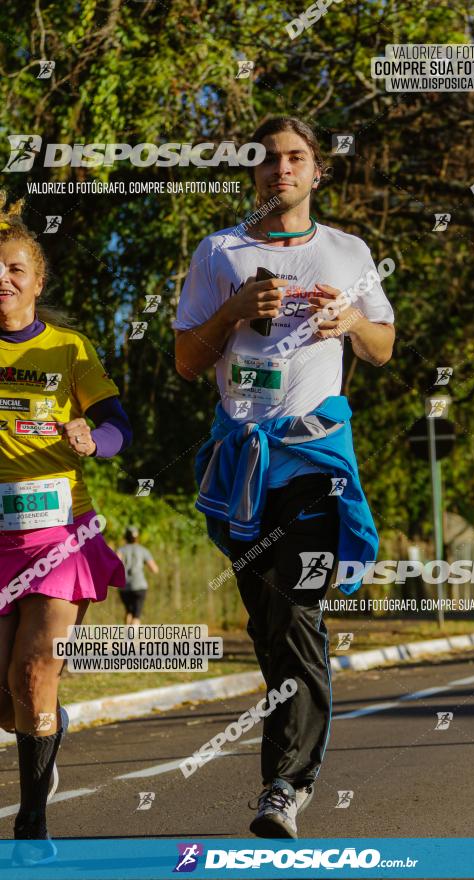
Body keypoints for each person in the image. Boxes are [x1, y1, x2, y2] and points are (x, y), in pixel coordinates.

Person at [174, 116, 395, 839]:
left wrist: (350, 324)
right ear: (251, 173)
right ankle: (290, 758)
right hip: (242, 463)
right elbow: (184, 360)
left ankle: (283, 787)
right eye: (265, 161)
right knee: (271, 625)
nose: (280, 170)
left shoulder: (348, 248)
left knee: (298, 610)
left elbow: (384, 346)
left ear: (316, 171)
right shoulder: (220, 252)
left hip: (315, 460)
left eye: (294, 158)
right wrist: (236, 309)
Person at [0, 191, 132, 865]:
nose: (3, 280)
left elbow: (118, 426)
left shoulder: (68, 349)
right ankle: (48, 734)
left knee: (33, 672)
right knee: (8, 699)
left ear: (37, 280)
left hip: (59, 532)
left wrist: (92, 437)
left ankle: (32, 825)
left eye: (15, 268)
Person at [117, 525, 159, 624]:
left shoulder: (121, 550)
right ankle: (132, 637)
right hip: (139, 586)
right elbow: (154, 569)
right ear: (137, 537)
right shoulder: (143, 550)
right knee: (136, 615)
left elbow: (115, 565)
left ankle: (127, 639)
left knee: (128, 611)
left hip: (124, 586)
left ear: (125, 537)